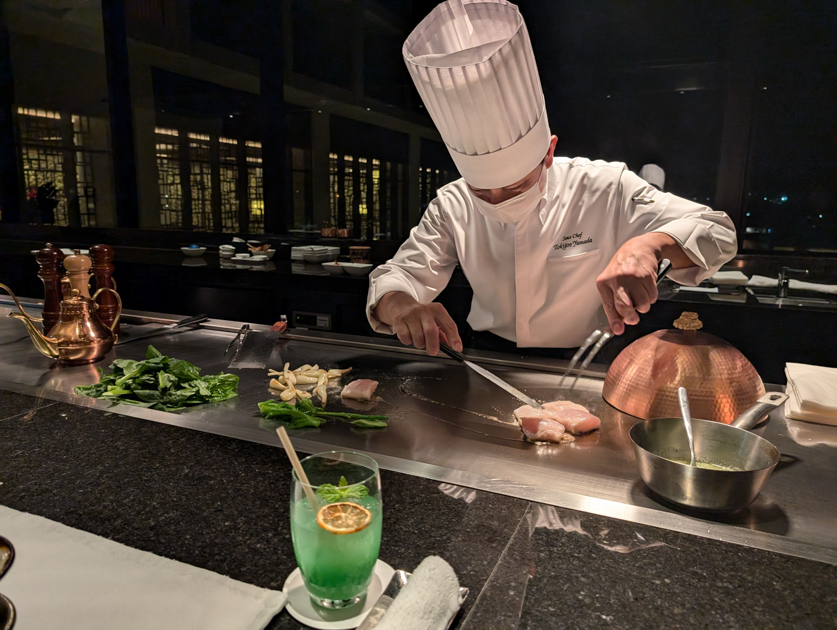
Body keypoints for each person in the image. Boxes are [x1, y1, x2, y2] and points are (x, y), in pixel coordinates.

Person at [367, 0, 737, 357]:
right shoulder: (454, 204)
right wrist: (401, 307)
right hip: (490, 356)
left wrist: (651, 245)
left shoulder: (605, 187)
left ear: (548, 153)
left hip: (586, 358)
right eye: (482, 191)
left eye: (515, 186)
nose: (498, 200)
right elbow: (398, 274)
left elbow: (718, 231)